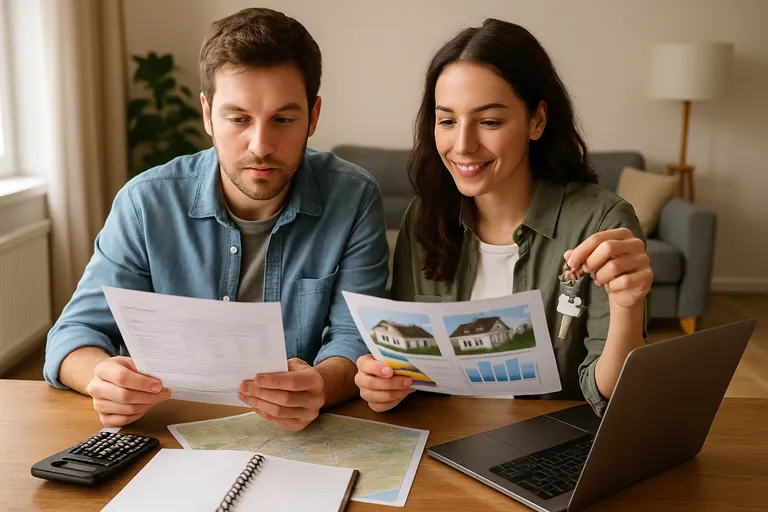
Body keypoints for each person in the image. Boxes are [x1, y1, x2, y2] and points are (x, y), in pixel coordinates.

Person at [44, 7, 389, 431]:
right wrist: (102, 379)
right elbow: (74, 333)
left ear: (313, 116)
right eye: (238, 118)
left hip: (299, 436)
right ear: (207, 114)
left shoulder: (354, 197)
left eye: (283, 119)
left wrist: (319, 383)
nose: (260, 145)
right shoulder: (144, 202)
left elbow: (357, 338)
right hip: (168, 428)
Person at [355, 19, 652, 417]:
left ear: (537, 121)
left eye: (489, 121)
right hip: (442, 439)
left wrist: (628, 306)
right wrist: (383, 384)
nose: (462, 146)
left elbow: (613, 399)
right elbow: (409, 369)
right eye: (447, 120)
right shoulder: (424, 216)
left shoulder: (600, 222)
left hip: (549, 448)